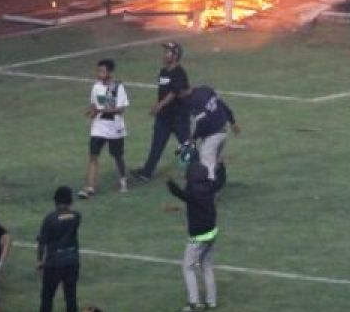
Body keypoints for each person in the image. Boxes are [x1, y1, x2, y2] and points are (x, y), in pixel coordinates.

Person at [166, 161, 225, 312]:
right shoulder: (210, 186)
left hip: (197, 237)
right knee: (206, 264)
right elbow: (220, 181)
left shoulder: (191, 191)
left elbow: (179, 193)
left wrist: (170, 182)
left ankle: (194, 304)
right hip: (212, 233)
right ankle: (211, 301)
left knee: (188, 267)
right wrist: (221, 168)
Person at [132, 42, 192, 183]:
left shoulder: (179, 73)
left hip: (179, 117)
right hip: (164, 118)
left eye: (168, 52)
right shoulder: (163, 71)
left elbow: (174, 92)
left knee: (186, 146)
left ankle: (194, 171)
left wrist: (159, 106)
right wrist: (160, 109)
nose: (164, 54)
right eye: (165, 51)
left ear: (175, 55)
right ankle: (147, 172)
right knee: (157, 145)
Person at [80, 59, 129, 198]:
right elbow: (94, 105)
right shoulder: (96, 87)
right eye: (98, 70)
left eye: (102, 71)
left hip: (115, 128)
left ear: (109, 72)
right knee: (93, 156)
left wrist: (101, 111)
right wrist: (91, 111)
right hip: (98, 127)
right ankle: (89, 187)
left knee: (117, 156)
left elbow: (120, 109)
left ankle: (123, 180)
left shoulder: (117, 87)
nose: (99, 73)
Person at [183, 83, 243, 181]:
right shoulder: (205, 89)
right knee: (213, 161)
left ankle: (208, 191)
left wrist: (193, 139)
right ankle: (217, 185)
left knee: (207, 165)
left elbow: (202, 122)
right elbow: (223, 105)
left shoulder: (193, 101)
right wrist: (232, 122)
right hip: (223, 131)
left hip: (213, 136)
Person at [38, 185, 82, 312]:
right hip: (72, 261)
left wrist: (40, 261)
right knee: (71, 296)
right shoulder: (76, 216)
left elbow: (42, 242)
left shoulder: (50, 218)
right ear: (70, 201)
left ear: (55, 201)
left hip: (54, 263)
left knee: (47, 297)